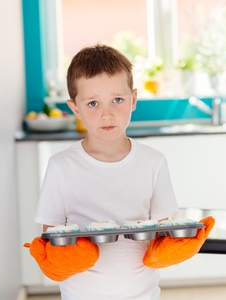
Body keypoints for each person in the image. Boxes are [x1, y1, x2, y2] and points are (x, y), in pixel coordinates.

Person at [24, 44, 214, 300]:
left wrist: (177, 246)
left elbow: (161, 236)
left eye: (117, 100)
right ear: (75, 108)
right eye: (93, 103)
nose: (107, 114)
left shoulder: (153, 162)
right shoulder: (61, 166)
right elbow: (51, 239)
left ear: (133, 99)